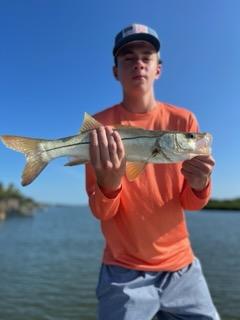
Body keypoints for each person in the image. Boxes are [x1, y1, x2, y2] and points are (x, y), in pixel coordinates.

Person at [85, 23, 220, 320]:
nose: (139, 63)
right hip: (122, 271)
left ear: (158, 68)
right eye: (128, 58)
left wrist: (200, 184)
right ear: (115, 71)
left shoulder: (184, 121)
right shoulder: (99, 128)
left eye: (147, 56)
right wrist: (109, 185)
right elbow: (102, 212)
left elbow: (191, 204)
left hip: (182, 268)